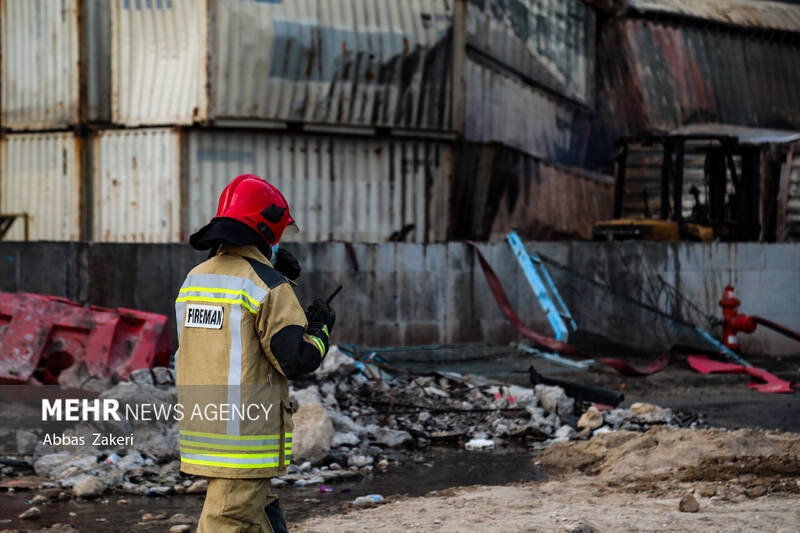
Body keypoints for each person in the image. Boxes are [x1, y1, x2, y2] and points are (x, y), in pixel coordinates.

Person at [174, 174, 335, 532]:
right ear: (266, 232)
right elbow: (297, 359)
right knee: (227, 522)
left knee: (259, 516)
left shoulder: (195, 279)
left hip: (204, 428)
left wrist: (277, 277)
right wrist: (321, 328)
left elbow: (230, 341)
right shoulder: (267, 285)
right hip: (244, 436)